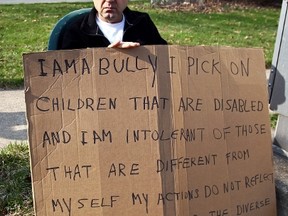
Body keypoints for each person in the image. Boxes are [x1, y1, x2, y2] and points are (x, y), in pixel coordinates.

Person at [59, 0, 167, 49]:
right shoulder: (77, 30)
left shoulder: (142, 23)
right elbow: (68, 73)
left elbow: (164, 57)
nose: (110, 1)